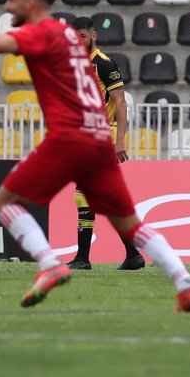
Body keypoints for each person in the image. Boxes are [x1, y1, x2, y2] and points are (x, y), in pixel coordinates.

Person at [0, 0, 190, 312]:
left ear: (31, 2)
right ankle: (185, 284)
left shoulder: (44, 32)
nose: (7, 6)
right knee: (129, 223)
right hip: (98, 137)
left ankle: (50, 266)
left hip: (71, 135)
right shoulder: (70, 36)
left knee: (6, 202)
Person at [67, 16, 145, 272]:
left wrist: (120, 139)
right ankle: (133, 255)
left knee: (83, 195)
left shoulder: (104, 64)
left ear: (93, 36)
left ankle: (83, 258)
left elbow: (120, 103)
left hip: (104, 136)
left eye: (83, 36)